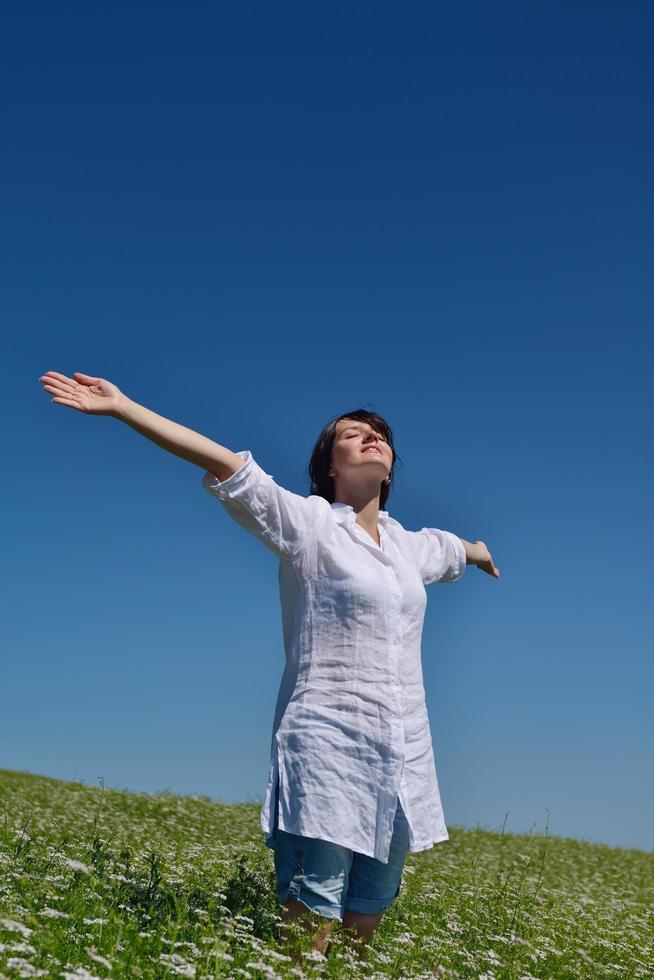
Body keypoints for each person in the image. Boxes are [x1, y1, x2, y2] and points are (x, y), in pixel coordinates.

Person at [37, 370, 500, 963]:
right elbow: (225, 463)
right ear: (330, 465)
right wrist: (125, 407)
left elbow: (458, 547)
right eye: (353, 434)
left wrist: (483, 553)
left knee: (372, 904)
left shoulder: (410, 545)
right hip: (328, 738)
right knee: (316, 907)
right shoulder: (308, 524)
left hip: (404, 750)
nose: (372, 437)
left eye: (380, 433)